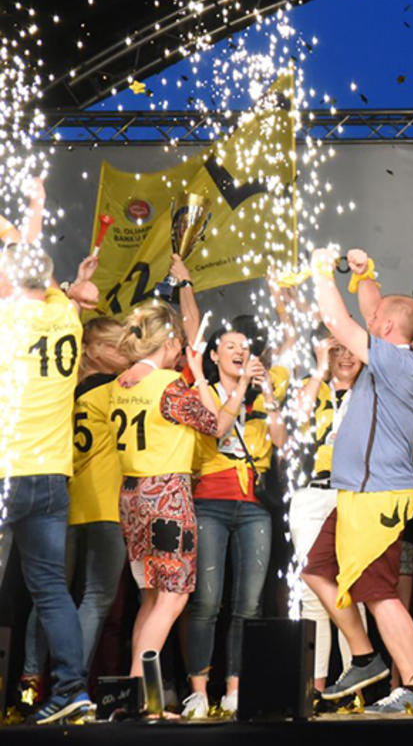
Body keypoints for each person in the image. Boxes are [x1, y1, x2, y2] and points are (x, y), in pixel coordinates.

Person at [301, 247, 413, 715]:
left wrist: (323, 272)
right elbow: (374, 308)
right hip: (357, 495)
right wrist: (364, 274)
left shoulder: (398, 362)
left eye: (375, 317)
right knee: (318, 570)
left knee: (378, 593)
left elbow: (338, 322)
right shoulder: (393, 350)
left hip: (379, 496)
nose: (369, 315)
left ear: (385, 328)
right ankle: (364, 657)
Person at [0, 242, 100, 724]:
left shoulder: (9, 319)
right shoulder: (65, 319)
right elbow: (60, 289)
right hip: (53, 475)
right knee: (51, 589)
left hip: (8, 472)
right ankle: (72, 689)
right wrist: (71, 283)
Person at [111, 303, 231, 684]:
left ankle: (135, 687)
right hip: (166, 494)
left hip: (131, 493)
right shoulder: (169, 384)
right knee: (173, 596)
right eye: (178, 343)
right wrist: (199, 374)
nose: (180, 350)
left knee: (150, 596)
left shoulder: (122, 382)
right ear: (167, 342)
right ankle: (139, 689)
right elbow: (215, 424)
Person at [20, 318, 129, 708]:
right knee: (95, 599)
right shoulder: (119, 390)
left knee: (49, 595)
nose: (125, 353)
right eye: (116, 345)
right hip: (105, 503)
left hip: (63, 501)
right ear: (92, 350)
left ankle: (29, 685)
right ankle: (71, 687)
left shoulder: (61, 392)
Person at [183, 321, 287, 718]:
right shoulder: (203, 391)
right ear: (214, 355)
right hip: (211, 500)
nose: (240, 352)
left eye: (245, 347)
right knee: (207, 601)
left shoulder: (260, 395)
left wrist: (268, 393)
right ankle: (198, 691)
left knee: (249, 603)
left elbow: (280, 441)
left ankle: (235, 688)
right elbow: (217, 428)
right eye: (230, 346)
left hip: (254, 505)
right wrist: (241, 386)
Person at [291, 335, 367, 693]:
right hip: (311, 493)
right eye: (338, 350)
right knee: (312, 593)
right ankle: (314, 689)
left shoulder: (370, 392)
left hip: (354, 494)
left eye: (353, 350)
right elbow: (296, 420)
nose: (346, 357)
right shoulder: (313, 386)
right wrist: (320, 369)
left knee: (352, 589)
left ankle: (356, 688)